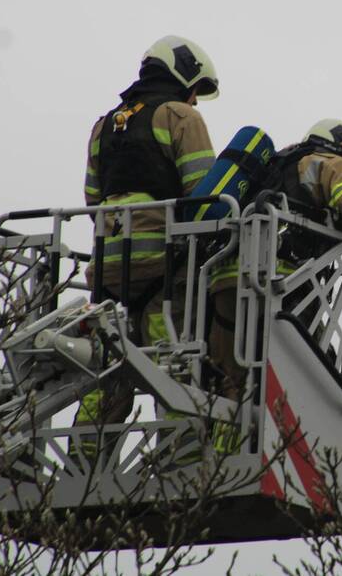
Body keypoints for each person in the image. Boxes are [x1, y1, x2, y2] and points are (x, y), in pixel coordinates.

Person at [76, 35, 220, 459]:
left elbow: (91, 200)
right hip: (165, 269)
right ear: (184, 76)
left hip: (110, 271)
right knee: (171, 363)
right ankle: (182, 461)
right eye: (196, 91)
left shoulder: (104, 125)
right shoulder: (180, 116)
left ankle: (83, 463)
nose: (195, 101)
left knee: (109, 369)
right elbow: (203, 199)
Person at [205, 119, 342, 401]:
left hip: (227, 279)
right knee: (307, 375)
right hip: (284, 281)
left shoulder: (270, 168)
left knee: (229, 385)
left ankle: (223, 443)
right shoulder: (327, 162)